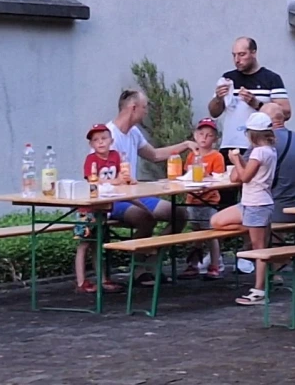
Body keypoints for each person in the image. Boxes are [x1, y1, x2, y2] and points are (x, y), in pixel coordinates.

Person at [107, 90, 195, 286]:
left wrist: (185, 145)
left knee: (179, 214)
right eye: (145, 107)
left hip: (135, 193)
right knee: (144, 216)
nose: (146, 112)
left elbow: (154, 155)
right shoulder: (108, 136)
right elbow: (101, 178)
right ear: (133, 108)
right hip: (113, 198)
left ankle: (152, 259)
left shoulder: (134, 133)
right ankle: (139, 270)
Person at [213, 113, 279, 306]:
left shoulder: (259, 153)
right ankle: (248, 238)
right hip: (254, 203)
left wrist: (235, 161)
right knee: (217, 221)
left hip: (257, 203)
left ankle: (259, 290)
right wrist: (241, 159)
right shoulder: (268, 150)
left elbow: (244, 177)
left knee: (260, 250)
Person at [208, 37, 289, 158]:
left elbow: (286, 113)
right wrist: (219, 99)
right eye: (234, 55)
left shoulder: (271, 79)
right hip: (230, 144)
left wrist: (257, 104)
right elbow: (213, 113)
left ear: (254, 52)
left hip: (258, 146)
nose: (237, 60)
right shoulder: (228, 78)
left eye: (241, 54)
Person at [74, 124, 124, 294]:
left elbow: (122, 175)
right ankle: (81, 281)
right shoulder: (91, 160)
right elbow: (92, 181)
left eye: (103, 138)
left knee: (98, 244)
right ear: (91, 145)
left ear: (111, 140)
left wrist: (121, 180)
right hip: (87, 209)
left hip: (103, 207)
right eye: (95, 140)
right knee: (84, 243)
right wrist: (114, 182)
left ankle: (102, 279)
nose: (100, 143)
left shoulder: (116, 156)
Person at [180, 118, 228, 280]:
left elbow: (220, 178)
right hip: (192, 200)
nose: (204, 138)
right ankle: (194, 263)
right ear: (194, 135)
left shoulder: (216, 156)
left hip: (209, 201)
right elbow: (187, 174)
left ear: (214, 138)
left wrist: (206, 177)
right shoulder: (192, 155)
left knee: (211, 234)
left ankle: (215, 264)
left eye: (209, 135)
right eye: (201, 134)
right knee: (196, 233)